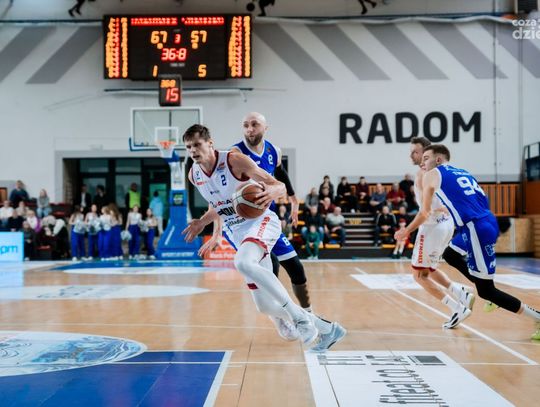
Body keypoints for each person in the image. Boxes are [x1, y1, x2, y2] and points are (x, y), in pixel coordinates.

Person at [181, 124, 345, 351]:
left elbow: (278, 185)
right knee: (265, 306)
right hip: (238, 233)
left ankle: (301, 320)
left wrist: (273, 191)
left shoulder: (234, 160)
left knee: (242, 262)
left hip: (261, 222)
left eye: (197, 145)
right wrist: (202, 222)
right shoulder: (194, 174)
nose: (193, 150)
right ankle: (329, 329)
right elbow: (217, 205)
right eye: (188, 147)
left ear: (210, 143)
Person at [396, 144, 540, 339]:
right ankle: (478, 290)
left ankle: (536, 316)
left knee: (487, 291)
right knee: (450, 254)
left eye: (426, 158)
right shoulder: (462, 171)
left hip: (475, 228)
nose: (423, 162)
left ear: (438, 160)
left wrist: (406, 231)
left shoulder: (431, 174)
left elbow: (424, 212)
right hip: (485, 221)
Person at [395, 137, 474, 329]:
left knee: (419, 275)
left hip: (432, 227)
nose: (411, 155)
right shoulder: (439, 173)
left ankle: (457, 308)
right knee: (429, 268)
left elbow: (425, 212)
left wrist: (406, 230)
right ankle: (460, 293)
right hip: (446, 225)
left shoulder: (424, 175)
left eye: (415, 152)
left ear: (425, 153)